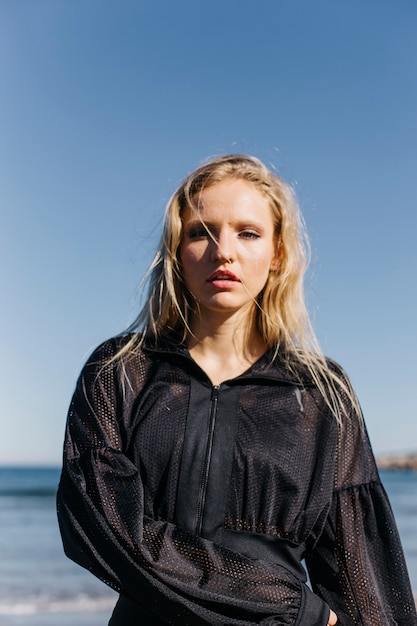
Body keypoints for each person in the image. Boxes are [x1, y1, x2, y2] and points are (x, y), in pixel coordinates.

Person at [57, 154, 417, 625]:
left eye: (247, 233)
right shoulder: (120, 371)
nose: (222, 251)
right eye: (201, 232)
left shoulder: (321, 392)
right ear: (175, 250)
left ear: (278, 254)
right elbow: (103, 527)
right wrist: (295, 608)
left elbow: (363, 568)